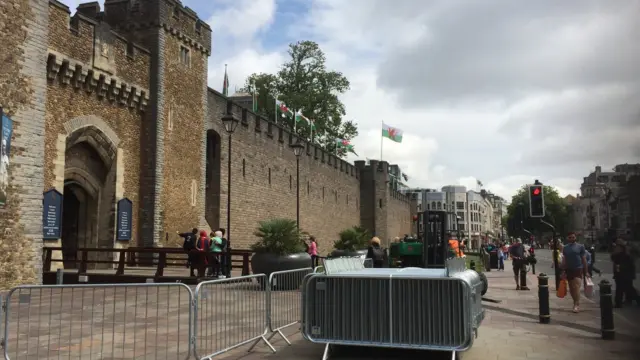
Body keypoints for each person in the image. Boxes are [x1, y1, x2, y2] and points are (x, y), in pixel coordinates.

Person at [561, 232, 590, 313]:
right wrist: (563, 270)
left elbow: (584, 259)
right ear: (568, 238)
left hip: (578, 268)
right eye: (570, 237)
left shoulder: (580, 247)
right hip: (569, 269)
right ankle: (575, 301)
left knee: (576, 286)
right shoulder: (565, 248)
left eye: (573, 237)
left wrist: (586, 271)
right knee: (571, 288)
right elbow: (564, 259)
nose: (572, 239)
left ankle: (576, 304)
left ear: (575, 238)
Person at [611, 238, 639, 307]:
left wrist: (620, 267)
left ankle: (619, 303)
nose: (616, 247)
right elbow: (613, 258)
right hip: (619, 274)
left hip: (626, 275)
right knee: (625, 288)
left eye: (617, 246)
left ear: (621, 247)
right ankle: (620, 302)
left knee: (627, 289)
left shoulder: (626, 255)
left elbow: (629, 265)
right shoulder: (617, 254)